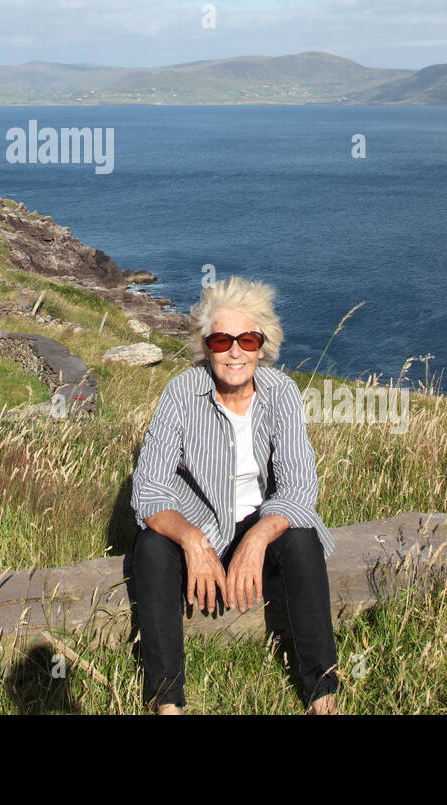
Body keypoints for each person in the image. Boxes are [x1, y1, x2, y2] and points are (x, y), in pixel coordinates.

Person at [130, 275, 339, 714]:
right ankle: (168, 704)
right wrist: (192, 540)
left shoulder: (281, 392)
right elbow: (148, 489)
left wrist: (258, 538)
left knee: (302, 542)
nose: (236, 351)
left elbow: (300, 487)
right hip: (196, 526)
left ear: (263, 345)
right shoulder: (181, 393)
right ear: (206, 347)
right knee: (149, 549)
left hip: (260, 525)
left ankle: (323, 694)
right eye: (222, 340)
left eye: (247, 338)